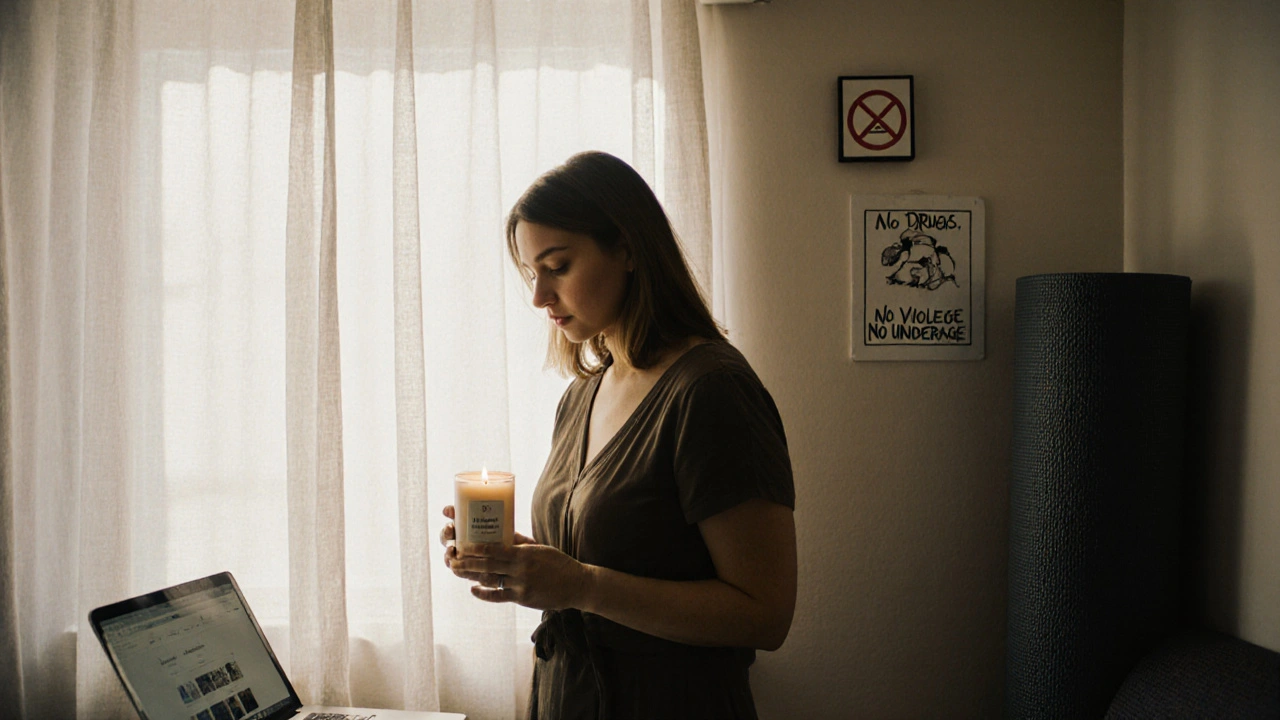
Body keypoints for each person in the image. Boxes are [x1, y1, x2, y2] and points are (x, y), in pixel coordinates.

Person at [440, 151, 796, 720]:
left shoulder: (711, 391)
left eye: (557, 266)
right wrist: (525, 567)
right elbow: (597, 563)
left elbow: (765, 614)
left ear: (628, 248)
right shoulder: (583, 395)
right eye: (533, 274)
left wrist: (581, 586)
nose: (539, 296)